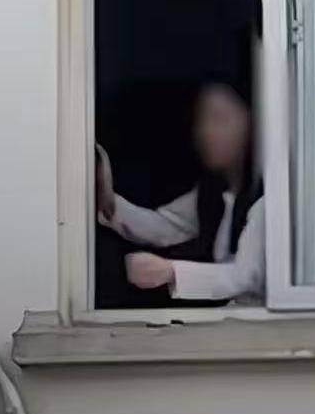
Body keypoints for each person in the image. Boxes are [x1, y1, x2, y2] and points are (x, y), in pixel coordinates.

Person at [96, 81, 265, 303]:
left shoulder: (269, 196)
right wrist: (107, 198)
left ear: (252, 124)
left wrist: (170, 271)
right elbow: (163, 226)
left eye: (220, 119)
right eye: (202, 120)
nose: (207, 132)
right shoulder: (213, 191)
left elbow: (246, 276)